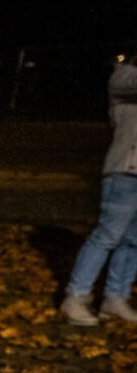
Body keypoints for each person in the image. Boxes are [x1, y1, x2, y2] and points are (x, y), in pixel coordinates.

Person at [60, 55, 137, 325]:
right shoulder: (123, 78)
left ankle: (115, 297)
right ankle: (76, 297)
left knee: (133, 241)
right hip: (124, 171)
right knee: (107, 236)